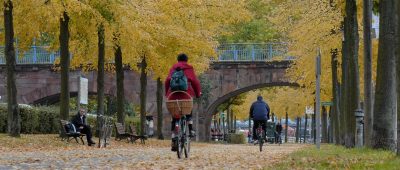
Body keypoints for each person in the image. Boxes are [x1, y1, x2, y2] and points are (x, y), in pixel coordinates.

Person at [165, 53, 201, 151]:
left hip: (173, 96)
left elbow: (167, 80)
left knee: (175, 116)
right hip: (186, 95)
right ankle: (190, 129)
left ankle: (173, 137)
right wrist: (198, 93)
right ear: (186, 60)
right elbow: (195, 82)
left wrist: (167, 93)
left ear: (177, 60)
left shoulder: (173, 68)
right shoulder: (189, 68)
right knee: (189, 111)